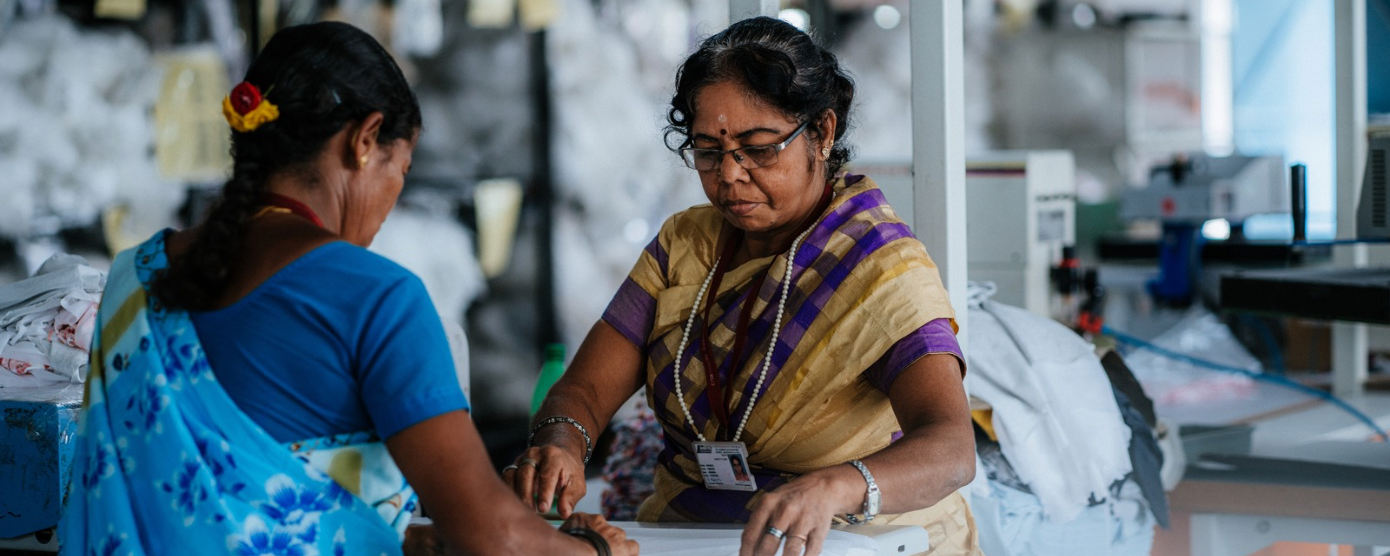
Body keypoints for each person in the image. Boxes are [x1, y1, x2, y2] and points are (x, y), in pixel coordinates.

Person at [60, 21, 636, 556]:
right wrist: (596, 549)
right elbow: (491, 537)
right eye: (399, 170)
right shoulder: (378, 298)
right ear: (365, 140)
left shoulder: (132, 279)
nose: (390, 202)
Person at [506, 15, 980, 556]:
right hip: (689, 536)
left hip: (859, 539)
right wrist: (562, 441)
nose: (729, 175)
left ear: (822, 133)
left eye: (758, 148)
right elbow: (586, 390)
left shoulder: (878, 267)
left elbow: (950, 448)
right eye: (708, 151)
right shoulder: (686, 244)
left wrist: (835, 487)